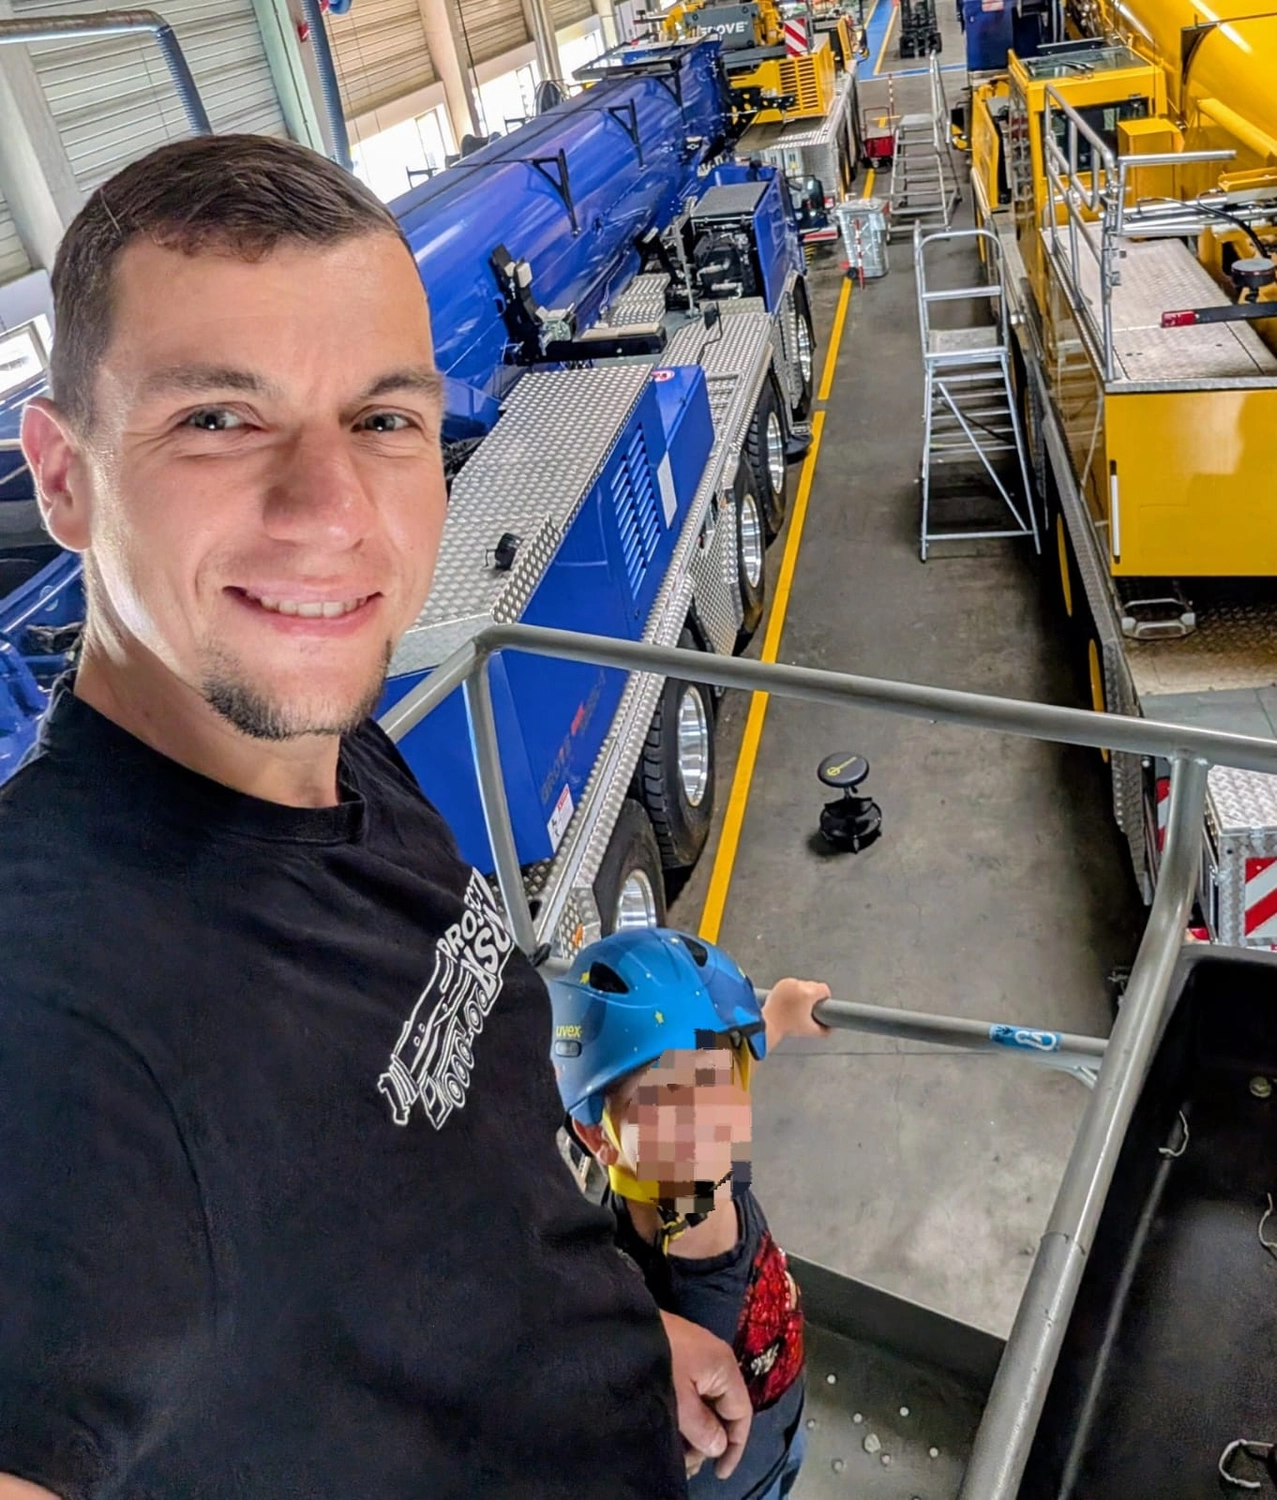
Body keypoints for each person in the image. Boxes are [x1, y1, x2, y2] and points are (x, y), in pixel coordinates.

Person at [0, 134, 752, 1499]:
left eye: (384, 418)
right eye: (218, 419)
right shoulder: (61, 1024)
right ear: (63, 476)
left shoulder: (335, 741)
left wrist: (615, 1329)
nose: (330, 512)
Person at [548, 927, 832, 1500]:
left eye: (717, 1080)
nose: (711, 1125)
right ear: (594, 1134)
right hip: (744, 1478)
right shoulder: (699, 1227)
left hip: (779, 1425)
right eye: (666, 1100)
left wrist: (773, 1016)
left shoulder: (661, 1183)